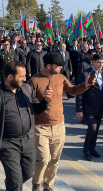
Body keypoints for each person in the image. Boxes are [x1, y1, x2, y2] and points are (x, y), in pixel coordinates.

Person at [27, 52, 95, 191]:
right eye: (58, 66)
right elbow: (28, 106)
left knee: (54, 160)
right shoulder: (34, 81)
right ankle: (36, 184)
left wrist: (86, 84)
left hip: (59, 126)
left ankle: (48, 186)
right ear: (49, 66)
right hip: (40, 128)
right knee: (43, 159)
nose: (60, 68)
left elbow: (72, 90)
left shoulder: (61, 77)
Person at [0, 61, 53, 191]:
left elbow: (37, 109)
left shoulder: (26, 89)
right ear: (10, 77)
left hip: (27, 140)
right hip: (7, 144)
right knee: (15, 182)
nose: (25, 79)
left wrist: (46, 100)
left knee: (27, 174)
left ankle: (12, 182)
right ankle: (13, 183)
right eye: (21, 76)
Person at [76, 54, 103, 161]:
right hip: (88, 107)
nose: (101, 65)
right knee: (92, 128)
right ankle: (86, 150)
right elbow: (80, 93)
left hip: (99, 107)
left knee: (96, 129)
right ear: (93, 62)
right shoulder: (86, 74)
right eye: (99, 62)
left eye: (102, 63)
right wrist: (79, 109)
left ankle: (92, 148)